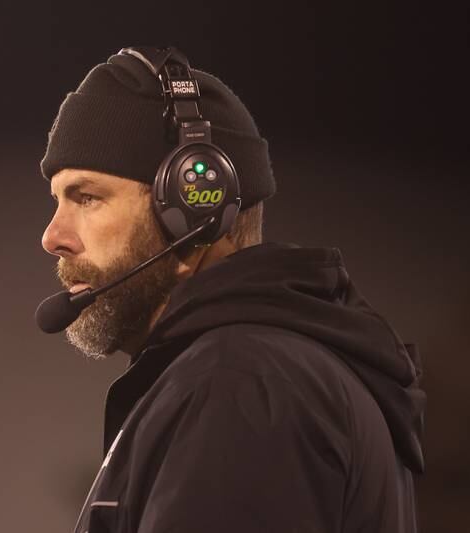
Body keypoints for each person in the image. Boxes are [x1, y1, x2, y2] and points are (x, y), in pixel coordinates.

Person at [37, 46, 425, 533]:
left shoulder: (241, 384)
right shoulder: (255, 374)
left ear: (192, 214)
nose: (53, 236)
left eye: (87, 197)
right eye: (57, 201)